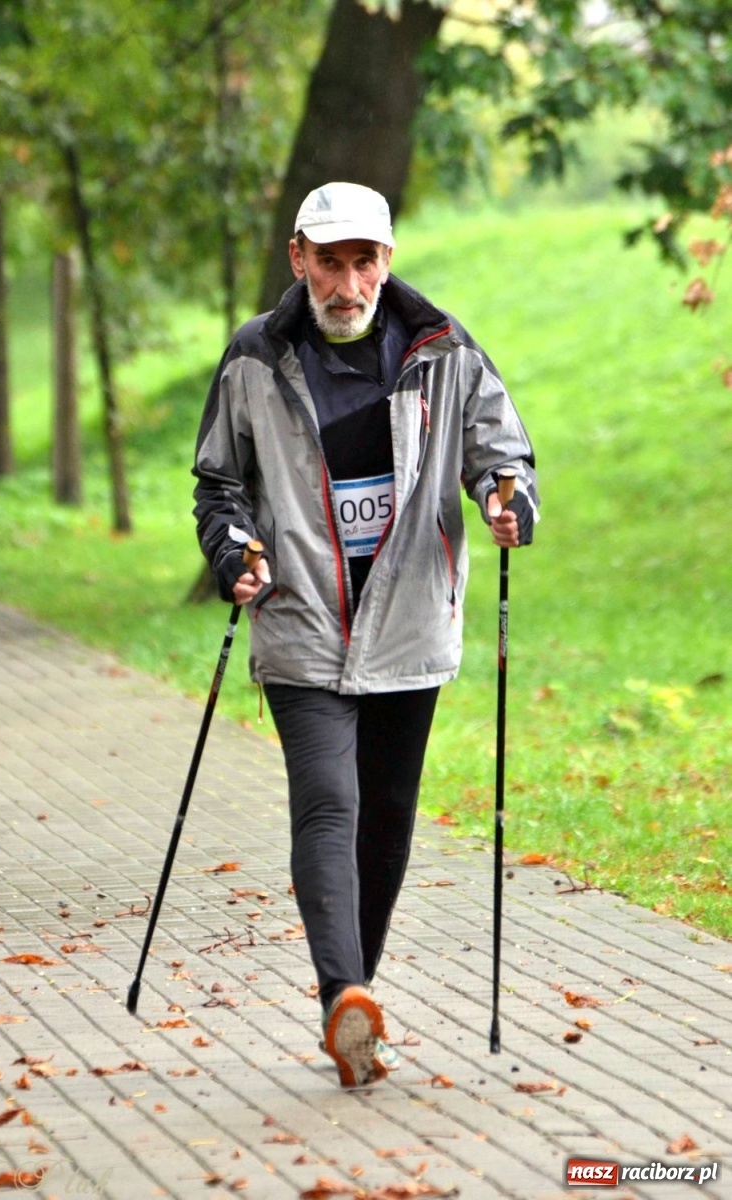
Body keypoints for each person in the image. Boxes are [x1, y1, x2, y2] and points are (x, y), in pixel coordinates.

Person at [192, 181, 539, 1088]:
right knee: (328, 804)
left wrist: (507, 501)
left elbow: (501, 455)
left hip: (407, 622)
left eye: (363, 262)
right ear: (298, 258)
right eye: (329, 262)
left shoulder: (443, 350)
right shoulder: (255, 357)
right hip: (301, 619)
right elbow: (219, 486)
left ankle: (355, 1007)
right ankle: (341, 992)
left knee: (386, 817)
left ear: (386, 261)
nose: (346, 284)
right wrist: (234, 555)